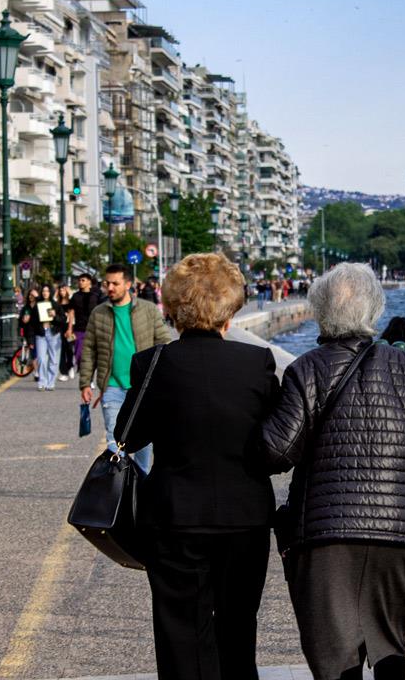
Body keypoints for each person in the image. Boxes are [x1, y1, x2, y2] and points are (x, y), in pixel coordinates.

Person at [260, 263, 405, 680]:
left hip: (328, 533)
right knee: (390, 651)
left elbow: (277, 452)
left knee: (334, 659)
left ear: (320, 310)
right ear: (374, 310)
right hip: (401, 534)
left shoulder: (306, 369)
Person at [113, 252, 277, 680]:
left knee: (180, 634)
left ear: (171, 309)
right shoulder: (256, 364)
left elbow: (128, 436)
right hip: (245, 516)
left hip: (174, 517)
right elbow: (277, 441)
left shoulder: (152, 365)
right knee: (238, 630)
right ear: (230, 310)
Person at [78, 263, 172, 471]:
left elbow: (164, 343)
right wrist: (85, 383)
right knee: (115, 443)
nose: (110, 288)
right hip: (111, 386)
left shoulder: (148, 310)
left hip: (143, 390)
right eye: (107, 283)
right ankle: (116, 492)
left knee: (144, 447)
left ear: (128, 284)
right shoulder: (98, 313)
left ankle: (141, 492)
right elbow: (89, 350)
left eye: (115, 283)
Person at [21, 284, 64, 391]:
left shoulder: (56, 305)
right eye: (43, 291)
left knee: (53, 359)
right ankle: (42, 382)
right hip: (41, 334)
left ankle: (51, 382)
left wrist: (55, 316)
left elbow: (62, 320)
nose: (45, 293)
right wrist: (30, 339)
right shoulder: (37, 306)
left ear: (51, 292)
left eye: (47, 291)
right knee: (41, 358)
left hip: (53, 333)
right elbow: (32, 323)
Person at [67, 273, 101, 372]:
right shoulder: (75, 296)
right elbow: (71, 313)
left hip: (93, 329)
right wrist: (69, 328)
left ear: (89, 282)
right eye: (80, 280)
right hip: (79, 328)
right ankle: (82, 370)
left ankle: (89, 377)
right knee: (78, 353)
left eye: (83, 280)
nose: (81, 282)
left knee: (92, 354)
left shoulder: (95, 296)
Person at [56, 284, 75, 379]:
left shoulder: (71, 301)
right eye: (60, 290)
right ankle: (63, 372)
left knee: (69, 348)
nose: (62, 292)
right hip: (60, 327)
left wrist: (69, 329)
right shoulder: (57, 302)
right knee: (61, 349)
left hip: (70, 326)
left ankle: (70, 366)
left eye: (64, 290)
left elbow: (72, 313)